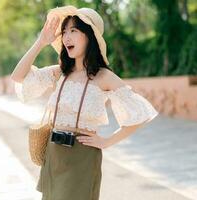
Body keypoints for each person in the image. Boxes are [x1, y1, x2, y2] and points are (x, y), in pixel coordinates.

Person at [11, 5, 159, 200]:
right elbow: (18, 76)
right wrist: (41, 41)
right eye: (64, 32)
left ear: (90, 36)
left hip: (82, 156)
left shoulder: (104, 76)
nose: (66, 37)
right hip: (54, 154)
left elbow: (141, 113)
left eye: (74, 30)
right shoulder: (60, 72)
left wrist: (107, 141)